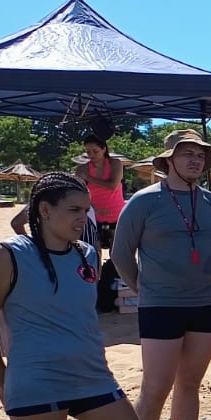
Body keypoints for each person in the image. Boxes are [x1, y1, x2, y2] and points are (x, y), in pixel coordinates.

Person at [0, 172, 170, 420]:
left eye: (86, 211)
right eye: (74, 210)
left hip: (92, 378)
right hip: (36, 382)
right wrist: (3, 381)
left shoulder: (88, 255)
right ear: (44, 210)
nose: (83, 219)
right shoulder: (8, 255)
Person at [111, 130, 211, 420]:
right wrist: (144, 290)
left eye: (200, 155)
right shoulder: (145, 200)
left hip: (206, 304)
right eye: (187, 154)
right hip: (160, 305)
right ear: (169, 160)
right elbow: (121, 254)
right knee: (156, 387)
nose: (195, 160)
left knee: (189, 383)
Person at [75, 134, 126, 312]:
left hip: (116, 212)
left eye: (95, 151)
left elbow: (113, 184)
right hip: (93, 214)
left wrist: (89, 177)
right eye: (88, 151)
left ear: (104, 149)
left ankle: (115, 287)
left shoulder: (115, 164)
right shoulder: (82, 168)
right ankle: (94, 288)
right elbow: (79, 191)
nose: (91, 154)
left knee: (116, 253)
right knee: (92, 251)